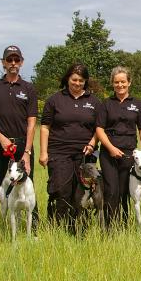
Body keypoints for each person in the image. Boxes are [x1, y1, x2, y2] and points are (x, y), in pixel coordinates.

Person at [0, 45, 39, 235]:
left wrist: (27, 153)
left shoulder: (29, 88)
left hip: (23, 145)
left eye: (16, 60)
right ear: (3, 62)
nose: (13, 63)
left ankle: (34, 231)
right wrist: (2, 139)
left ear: (21, 62)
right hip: (0, 146)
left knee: (29, 186)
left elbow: (31, 123)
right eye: (9, 60)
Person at [39, 63, 102, 233]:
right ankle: (57, 229)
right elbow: (45, 127)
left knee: (82, 193)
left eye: (81, 80)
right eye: (74, 79)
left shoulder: (94, 101)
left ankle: (80, 230)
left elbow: (99, 129)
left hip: (85, 154)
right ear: (67, 79)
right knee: (60, 190)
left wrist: (92, 143)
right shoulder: (54, 100)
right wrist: (43, 152)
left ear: (85, 81)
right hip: (59, 152)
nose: (77, 83)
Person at [95, 66, 141, 228]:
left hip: (128, 154)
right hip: (108, 153)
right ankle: (110, 227)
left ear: (129, 82)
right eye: (117, 82)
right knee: (112, 191)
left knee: (126, 191)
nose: (120, 85)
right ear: (112, 83)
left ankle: (124, 226)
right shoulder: (105, 104)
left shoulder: (137, 104)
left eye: (123, 82)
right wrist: (111, 148)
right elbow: (99, 129)